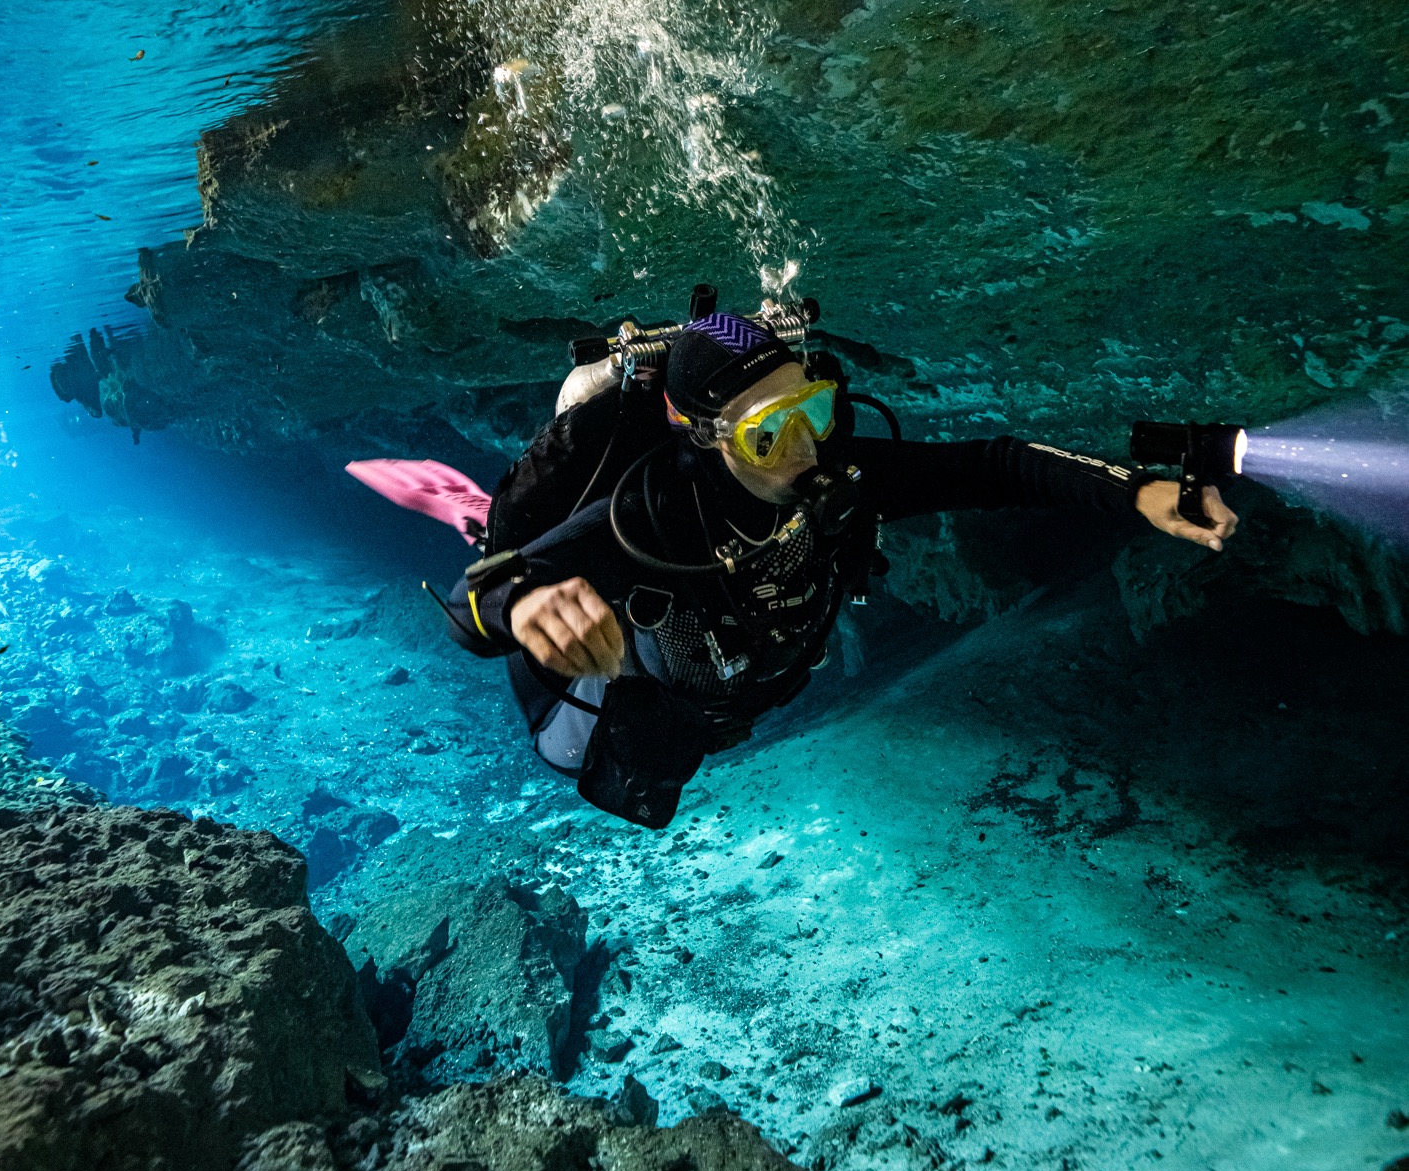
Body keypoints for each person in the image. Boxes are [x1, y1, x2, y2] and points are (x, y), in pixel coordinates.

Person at [441, 309, 1236, 827]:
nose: (805, 454)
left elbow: (998, 466)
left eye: (812, 414)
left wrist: (1137, 494)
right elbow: (468, 609)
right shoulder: (653, 515)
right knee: (642, 772)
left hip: (751, 676)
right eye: (767, 435)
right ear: (708, 435)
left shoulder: (841, 470)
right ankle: (500, 502)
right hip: (621, 696)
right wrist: (516, 605)